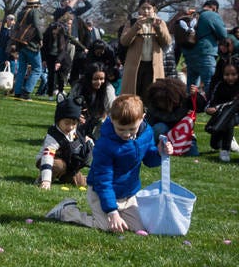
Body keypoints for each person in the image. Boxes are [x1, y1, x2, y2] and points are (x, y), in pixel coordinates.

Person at [45, 94, 172, 232]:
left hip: (128, 194)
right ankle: (67, 211)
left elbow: (149, 159)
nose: (127, 134)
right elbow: (103, 180)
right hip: (100, 192)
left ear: (142, 118)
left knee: (142, 227)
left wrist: (160, 153)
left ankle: (118, 213)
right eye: (121, 129)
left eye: (131, 129)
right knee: (106, 226)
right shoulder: (105, 145)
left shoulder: (146, 133)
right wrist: (112, 211)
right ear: (111, 119)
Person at [35, 96, 92, 189]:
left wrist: (87, 142)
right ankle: (42, 180)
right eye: (66, 123)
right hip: (49, 161)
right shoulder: (54, 136)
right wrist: (46, 180)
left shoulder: (74, 131)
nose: (70, 127)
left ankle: (68, 176)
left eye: (74, 124)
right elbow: (47, 157)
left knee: (81, 182)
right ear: (58, 120)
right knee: (58, 165)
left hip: (67, 163)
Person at [119, 2, 171, 98]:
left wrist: (158, 28)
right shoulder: (131, 22)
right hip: (135, 66)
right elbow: (124, 42)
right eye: (143, 8)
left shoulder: (160, 22)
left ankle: (148, 113)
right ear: (139, 10)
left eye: (149, 8)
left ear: (153, 9)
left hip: (153, 66)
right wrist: (136, 27)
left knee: (151, 95)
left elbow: (167, 42)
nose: (146, 11)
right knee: (132, 95)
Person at [204, 60, 239, 162]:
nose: (230, 77)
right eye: (227, 74)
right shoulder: (219, 85)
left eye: (234, 74)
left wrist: (219, 107)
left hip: (235, 114)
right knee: (214, 145)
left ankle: (225, 150)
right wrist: (209, 109)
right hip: (221, 115)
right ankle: (228, 138)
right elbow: (210, 102)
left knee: (230, 119)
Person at [189, 0, 228, 90]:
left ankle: (191, 104)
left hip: (190, 54)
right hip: (205, 53)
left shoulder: (193, 15)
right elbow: (223, 34)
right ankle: (208, 104)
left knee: (191, 87)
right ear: (214, 8)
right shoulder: (211, 15)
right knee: (209, 84)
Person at [12, 0, 45, 100]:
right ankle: (26, 92)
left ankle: (17, 92)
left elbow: (16, 27)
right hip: (31, 44)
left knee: (21, 69)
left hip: (21, 44)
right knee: (37, 69)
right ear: (36, 4)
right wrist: (40, 38)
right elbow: (37, 26)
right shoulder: (34, 11)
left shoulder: (21, 13)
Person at [71, 63, 116, 140]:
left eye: (102, 79)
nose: (99, 82)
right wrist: (76, 114)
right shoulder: (79, 87)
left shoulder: (108, 89)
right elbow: (69, 105)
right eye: (95, 79)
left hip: (100, 122)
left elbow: (112, 112)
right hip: (80, 121)